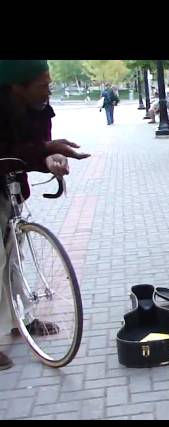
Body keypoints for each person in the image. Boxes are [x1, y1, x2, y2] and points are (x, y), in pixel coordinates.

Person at [0, 60, 90, 370]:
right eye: (41, 85)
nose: (48, 90)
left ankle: (21, 319)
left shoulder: (39, 107)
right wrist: (46, 148)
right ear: (15, 87)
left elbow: (34, 146)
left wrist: (51, 156)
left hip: (9, 185)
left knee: (14, 257)